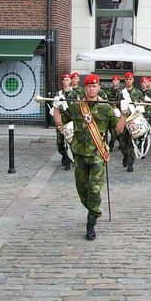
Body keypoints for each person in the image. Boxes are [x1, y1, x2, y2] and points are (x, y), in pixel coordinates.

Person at [53, 74, 128, 240]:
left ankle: (91, 221)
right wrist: (56, 107)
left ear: (99, 87)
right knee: (82, 189)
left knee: (94, 188)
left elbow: (119, 129)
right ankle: (92, 208)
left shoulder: (106, 107)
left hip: (97, 155)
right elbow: (59, 122)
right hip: (79, 154)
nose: (91, 89)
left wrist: (124, 113)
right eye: (88, 86)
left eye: (94, 86)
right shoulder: (76, 107)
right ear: (84, 88)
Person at [115, 72, 144, 172]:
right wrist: (116, 111)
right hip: (123, 120)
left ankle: (130, 163)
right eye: (127, 79)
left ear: (133, 80)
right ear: (125, 80)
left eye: (130, 79)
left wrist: (140, 109)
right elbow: (115, 104)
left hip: (133, 121)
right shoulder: (120, 92)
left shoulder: (138, 92)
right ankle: (125, 156)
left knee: (132, 143)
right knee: (122, 144)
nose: (128, 81)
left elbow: (142, 104)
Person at [54, 74, 78, 170]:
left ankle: (69, 161)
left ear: (70, 81)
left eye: (67, 80)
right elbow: (54, 105)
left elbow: (77, 106)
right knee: (60, 143)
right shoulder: (58, 93)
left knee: (70, 141)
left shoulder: (74, 94)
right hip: (61, 120)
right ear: (62, 81)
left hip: (71, 121)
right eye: (64, 80)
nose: (66, 81)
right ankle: (64, 155)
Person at [105, 75, 121, 149]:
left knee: (114, 131)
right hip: (109, 112)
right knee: (110, 130)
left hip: (117, 113)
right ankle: (122, 142)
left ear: (119, 82)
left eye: (116, 81)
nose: (115, 82)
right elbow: (106, 100)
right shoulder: (108, 91)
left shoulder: (122, 91)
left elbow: (123, 101)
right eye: (114, 81)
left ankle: (111, 146)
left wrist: (117, 107)